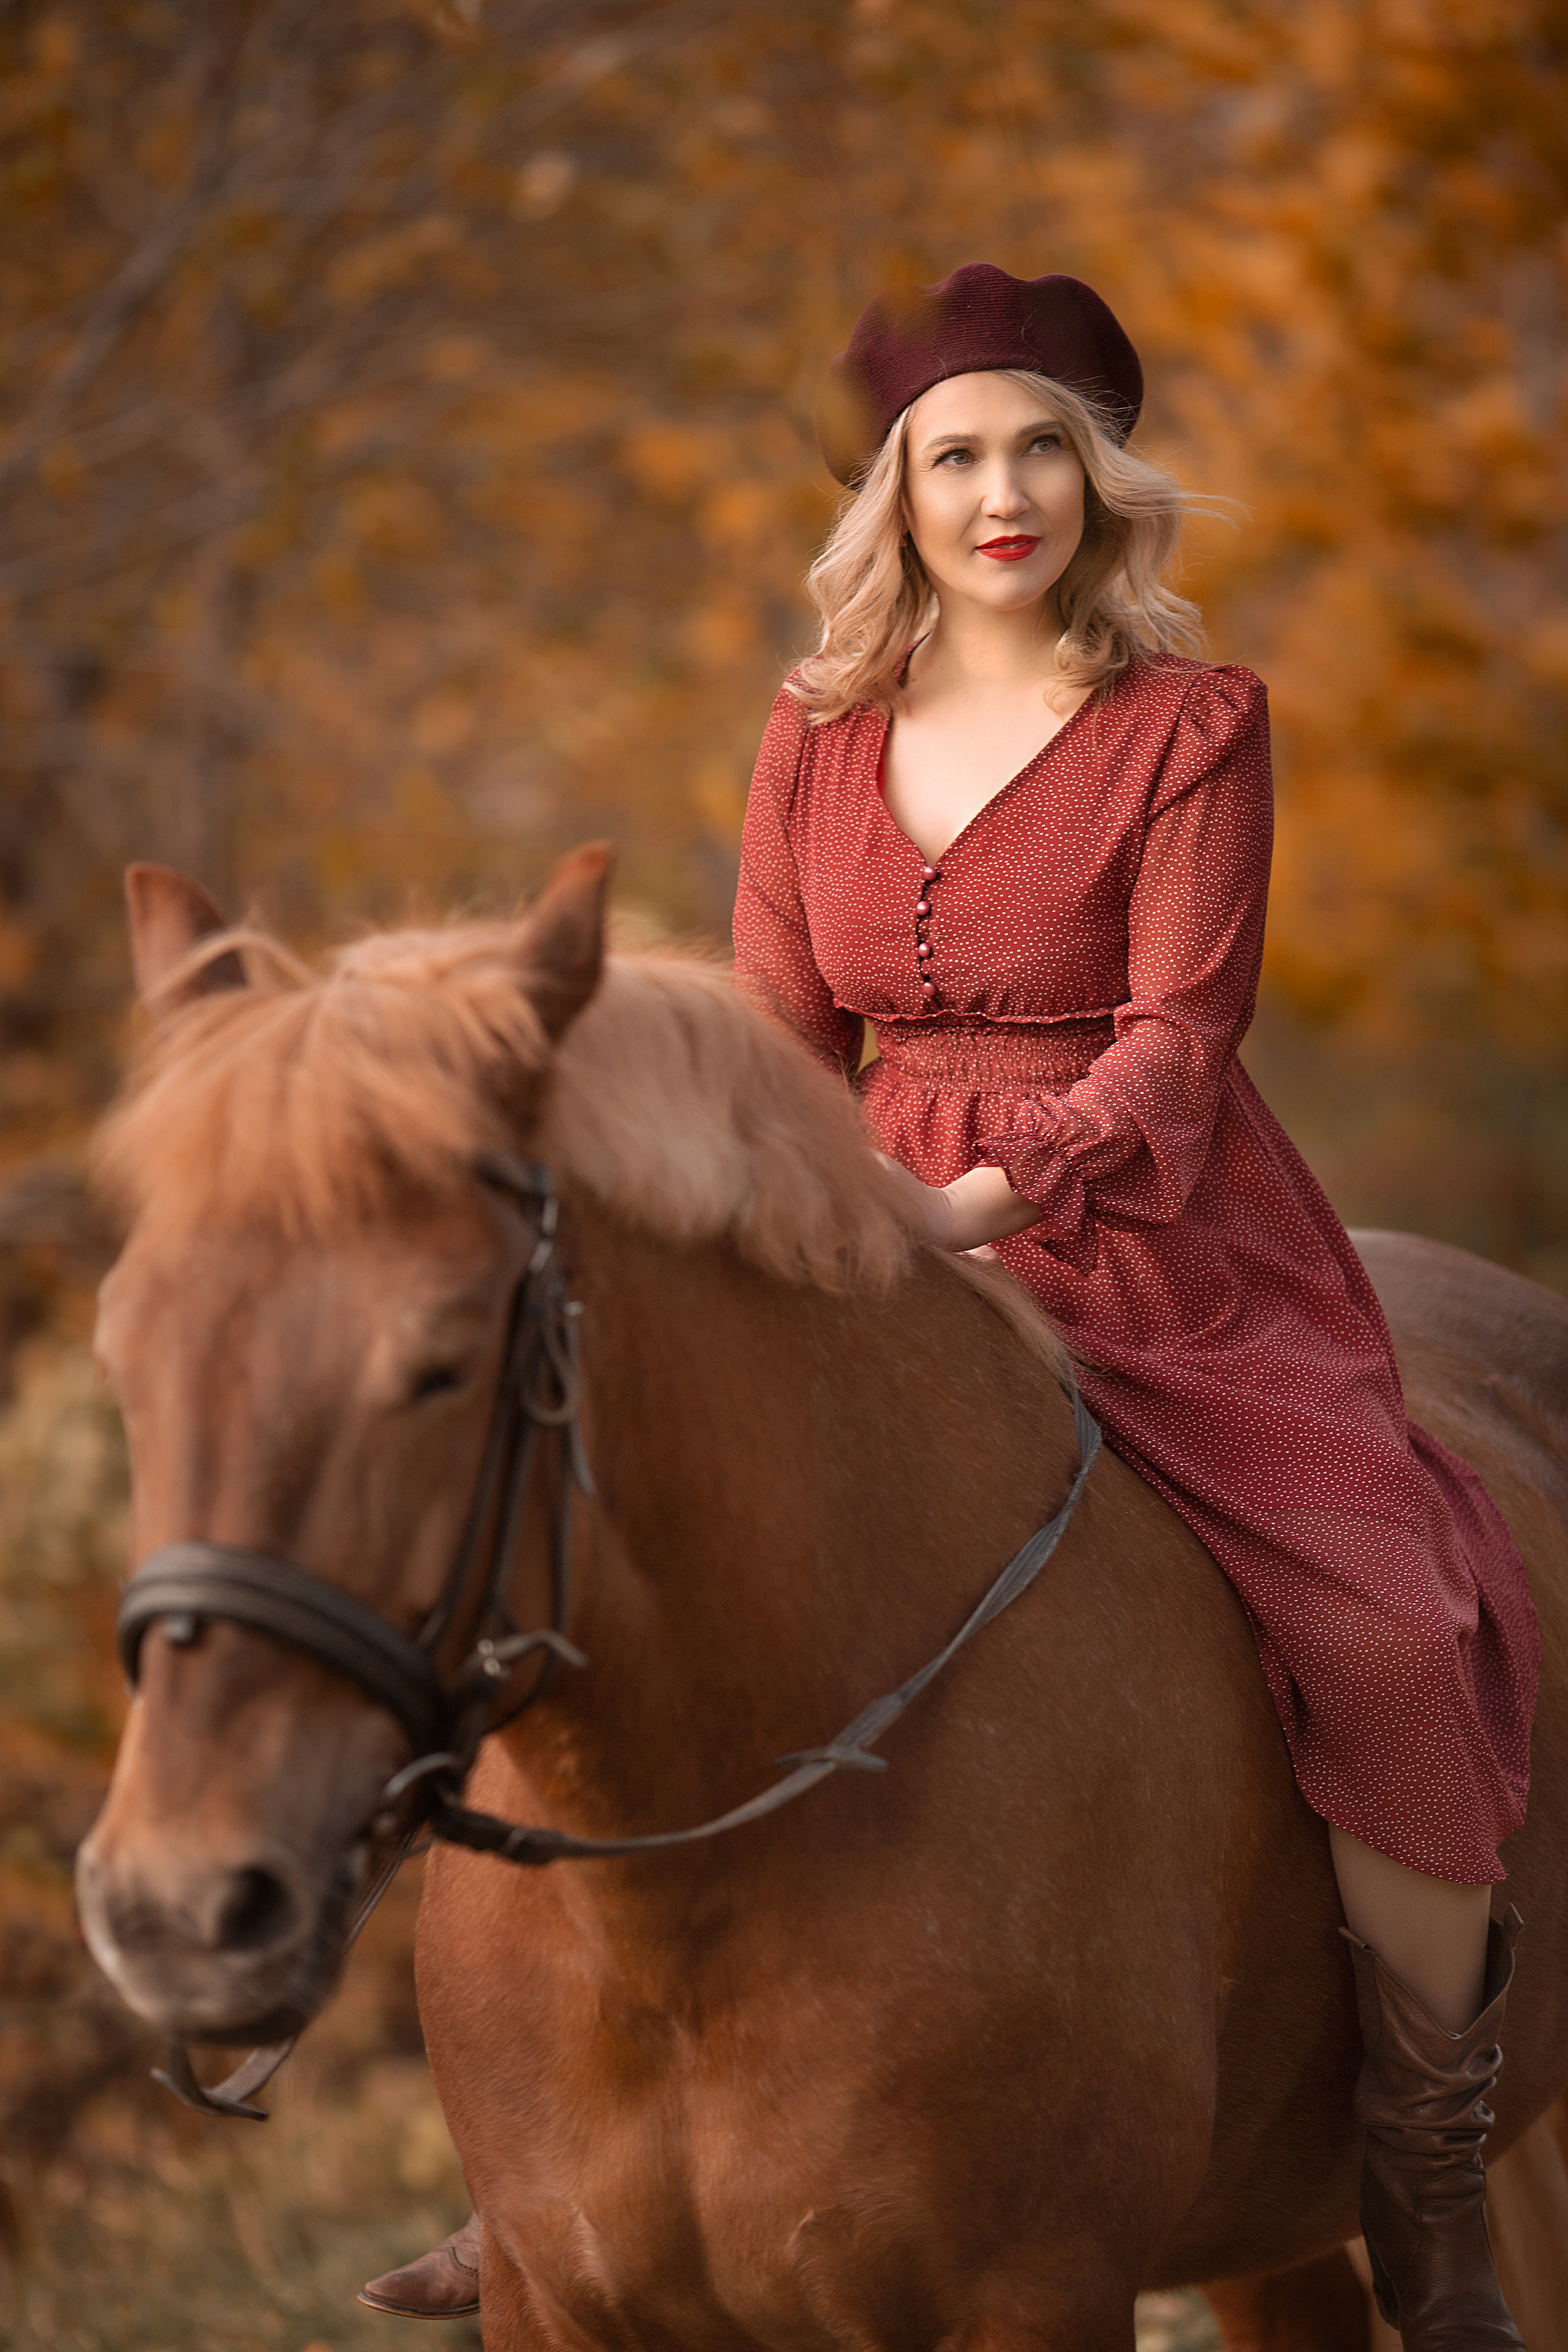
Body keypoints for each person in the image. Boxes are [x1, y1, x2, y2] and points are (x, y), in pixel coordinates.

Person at [362, 265, 1537, 2345]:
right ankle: (541, 2163)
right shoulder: (814, 735)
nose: (1006, 496)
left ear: (1103, 480)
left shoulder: (1194, 728)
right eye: (958, 456)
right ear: (894, 496)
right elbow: (777, 1037)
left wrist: (974, 1205)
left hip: (1161, 1247)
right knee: (584, 1556)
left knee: (1391, 1633)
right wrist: (814, 1216)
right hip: (859, 1235)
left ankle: (1429, 2177)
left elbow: (1180, 1042)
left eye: (1043, 452)